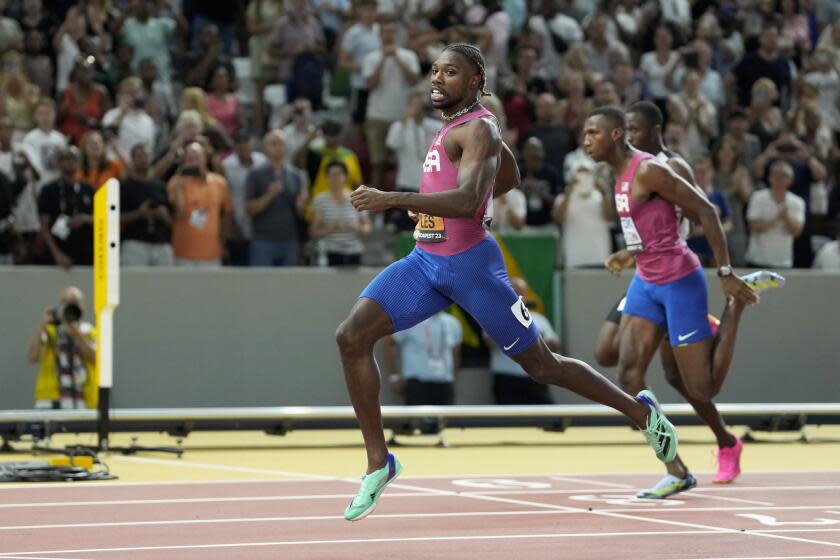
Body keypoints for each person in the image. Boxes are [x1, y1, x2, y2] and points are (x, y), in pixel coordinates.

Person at [337, 44, 680, 522]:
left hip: (472, 267)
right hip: (425, 261)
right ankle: (379, 462)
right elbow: (508, 176)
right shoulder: (460, 125)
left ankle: (642, 415)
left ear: (475, 80)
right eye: (434, 70)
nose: (437, 78)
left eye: (450, 72)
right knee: (351, 337)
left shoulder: (478, 126)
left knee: (543, 366)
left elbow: (469, 200)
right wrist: (438, 203)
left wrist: (392, 198)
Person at [583, 105, 783, 500]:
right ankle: (675, 469)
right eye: (584, 133)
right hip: (645, 280)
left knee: (700, 387)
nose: (585, 141)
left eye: (593, 133)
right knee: (626, 373)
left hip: (678, 278)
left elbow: (705, 210)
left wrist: (725, 272)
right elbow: (643, 225)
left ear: (619, 135)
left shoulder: (652, 169)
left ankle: (734, 306)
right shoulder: (616, 172)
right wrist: (631, 254)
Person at [486, 278, 559, 404]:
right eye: (513, 292)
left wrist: (539, 339)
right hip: (507, 381)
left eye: (520, 292)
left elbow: (555, 345)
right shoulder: (494, 317)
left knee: (547, 417)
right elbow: (490, 343)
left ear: (525, 295)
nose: (516, 296)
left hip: (536, 379)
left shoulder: (538, 319)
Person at [26, 286, 97, 410]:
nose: (71, 307)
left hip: (82, 401)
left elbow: (96, 359)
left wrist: (77, 334)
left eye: (75, 303)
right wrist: (42, 325)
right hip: (50, 401)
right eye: (67, 303)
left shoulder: (90, 332)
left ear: (83, 306)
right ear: (60, 306)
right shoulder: (51, 331)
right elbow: (32, 357)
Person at [245, 130, 307, 266]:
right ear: (265, 147)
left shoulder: (295, 175)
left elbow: (301, 214)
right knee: (261, 284)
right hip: (263, 241)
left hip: (289, 241)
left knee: (287, 286)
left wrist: (301, 208)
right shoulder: (255, 174)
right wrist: (269, 196)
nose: (278, 147)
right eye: (274, 144)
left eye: (281, 144)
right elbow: (249, 210)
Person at [167, 142, 232, 267]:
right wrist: (181, 184)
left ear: (205, 158)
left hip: (211, 254)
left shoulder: (219, 182)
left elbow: (227, 215)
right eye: (190, 158)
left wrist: (222, 242)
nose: (194, 161)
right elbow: (177, 212)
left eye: (197, 157)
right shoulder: (175, 182)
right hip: (182, 253)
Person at [383, 309, 462, 409]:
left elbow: (456, 352)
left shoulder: (452, 322)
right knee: (417, 423)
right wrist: (394, 376)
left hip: (444, 384)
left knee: (445, 423)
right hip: (418, 386)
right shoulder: (410, 320)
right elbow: (388, 343)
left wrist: (454, 377)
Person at [37, 146, 94, 268]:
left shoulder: (89, 189)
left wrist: (85, 218)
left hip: (85, 254)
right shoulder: (49, 190)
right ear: (59, 162)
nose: (70, 162)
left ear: (80, 162)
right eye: (66, 158)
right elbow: (44, 225)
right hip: (57, 253)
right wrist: (57, 254)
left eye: (74, 158)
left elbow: (103, 220)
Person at [745, 159, 806, 269]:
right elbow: (753, 226)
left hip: (783, 261)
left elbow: (797, 231)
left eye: (783, 176)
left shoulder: (797, 202)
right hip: (757, 260)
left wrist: (786, 217)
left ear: (790, 180)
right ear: (769, 177)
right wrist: (776, 218)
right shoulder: (758, 197)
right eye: (775, 174)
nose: (779, 178)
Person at [309, 160, 371, 266]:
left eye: (339, 174)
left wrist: (358, 228)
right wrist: (331, 228)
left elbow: (368, 227)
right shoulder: (320, 200)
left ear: (346, 177)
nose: (335, 178)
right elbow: (313, 232)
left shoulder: (357, 198)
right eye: (332, 175)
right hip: (330, 252)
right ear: (327, 177)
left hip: (354, 251)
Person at [119, 144, 172, 266]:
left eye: (146, 155)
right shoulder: (124, 187)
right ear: (132, 160)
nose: (143, 159)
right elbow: (114, 219)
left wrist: (164, 215)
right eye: (139, 156)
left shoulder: (161, 186)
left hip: (161, 243)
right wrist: (139, 214)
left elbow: (172, 221)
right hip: (134, 243)